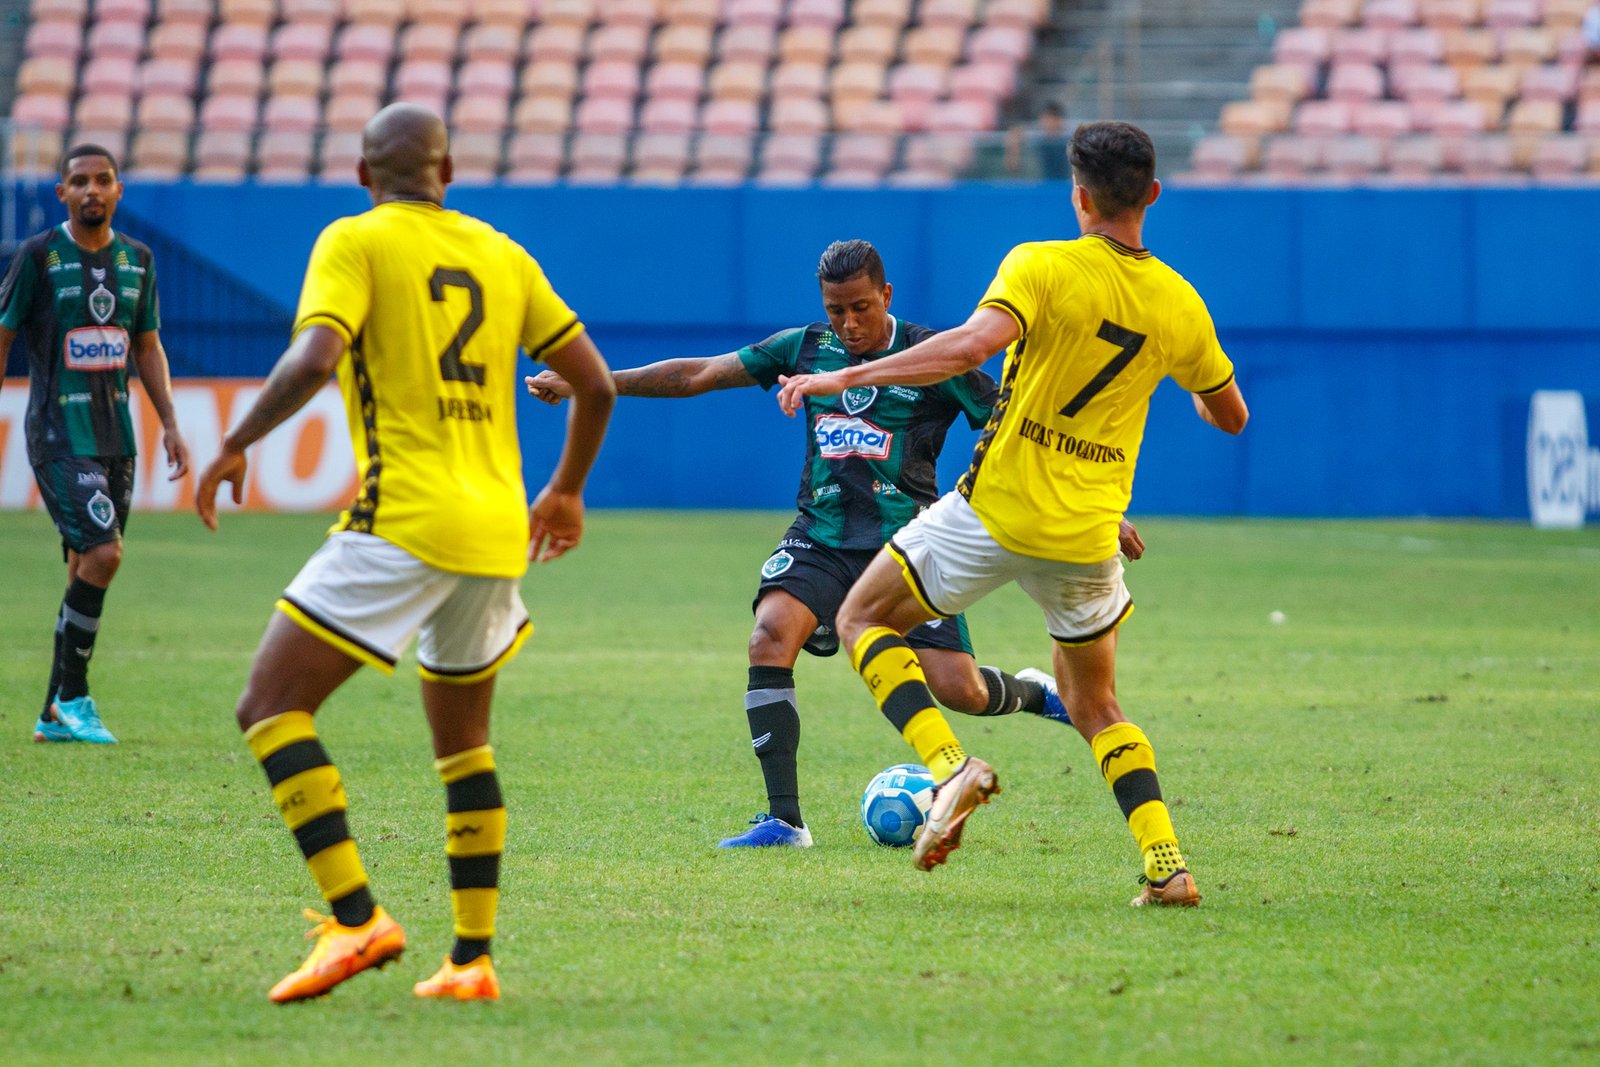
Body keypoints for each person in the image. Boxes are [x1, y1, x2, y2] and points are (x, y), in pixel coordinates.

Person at [194, 104, 615, 1003]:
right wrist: (567, 489)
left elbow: (315, 358)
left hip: (404, 519)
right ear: (448, 172)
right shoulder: (501, 253)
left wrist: (235, 441)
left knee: (270, 706)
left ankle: (356, 919)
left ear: (362, 174)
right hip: (496, 531)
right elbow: (594, 382)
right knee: (464, 745)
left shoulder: (354, 240)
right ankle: (472, 960)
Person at [527, 238, 1143, 849]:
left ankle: (1037, 693)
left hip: (907, 545)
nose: (848, 323)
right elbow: (699, 374)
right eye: (836, 310)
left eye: (860, 308)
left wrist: (1098, 510)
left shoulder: (932, 357)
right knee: (769, 636)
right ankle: (785, 821)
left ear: (886, 295)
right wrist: (591, 381)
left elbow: (1023, 432)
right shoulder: (804, 348)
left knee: (960, 690)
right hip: (820, 535)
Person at [776, 121, 1248, 906]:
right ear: (1154, 195)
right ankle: (1168, 865)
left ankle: (951, 766)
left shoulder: (1040, 264)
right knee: (1096, 706)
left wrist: (839, 379)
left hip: (995, 511)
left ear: (1080, 196)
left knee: (861, 617)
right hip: (1088, 535)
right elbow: (1230, 415)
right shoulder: (1181, 304)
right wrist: (1195, 392)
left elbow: (969, 349)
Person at [0, 144, 190, 745]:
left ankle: (52, 714)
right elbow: (3, 337)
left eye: (103, 180)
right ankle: (75, 696)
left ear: (118, 189)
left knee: (84, 566)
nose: (92, 190)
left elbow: (147, 346)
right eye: (80, 181)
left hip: (117, 437)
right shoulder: (38, 256)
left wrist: (171, 423)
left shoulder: (139, 259)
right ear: (62, 192)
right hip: (58, 432)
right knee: (105, 554)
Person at [1005, 102, 1071, 181]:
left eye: (1053, 120)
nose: (1049, 124)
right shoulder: (1037, 135)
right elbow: (1015, 131)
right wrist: (1014, 156)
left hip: (1064, 182)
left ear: (1060, 120)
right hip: (1041, 182)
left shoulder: (1068, 137)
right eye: (1046, 119)